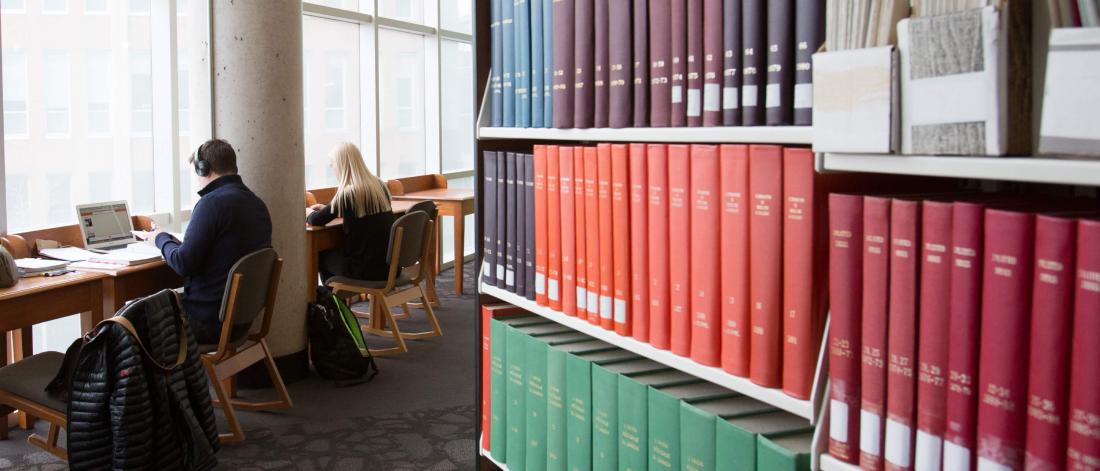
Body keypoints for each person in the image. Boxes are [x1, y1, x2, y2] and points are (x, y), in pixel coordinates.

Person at [136, 139, 272, 344]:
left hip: (208, 322)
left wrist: (159, 238)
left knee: (130, 320)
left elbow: (183, 263)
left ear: (203, 169)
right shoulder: (257, 203)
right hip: (241, 320)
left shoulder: (212, 203)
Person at [307, 142, 396, 283]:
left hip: (366, 270)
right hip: (390, 268)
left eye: (333, 163)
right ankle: (338, 301)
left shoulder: (348, 193)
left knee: (321, 257)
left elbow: (316, 220)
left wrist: (308, 212)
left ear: (342, 165)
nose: (331, 167)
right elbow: (363, 215)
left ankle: (334, 304)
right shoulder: (379, 185)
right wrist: (330, 209)